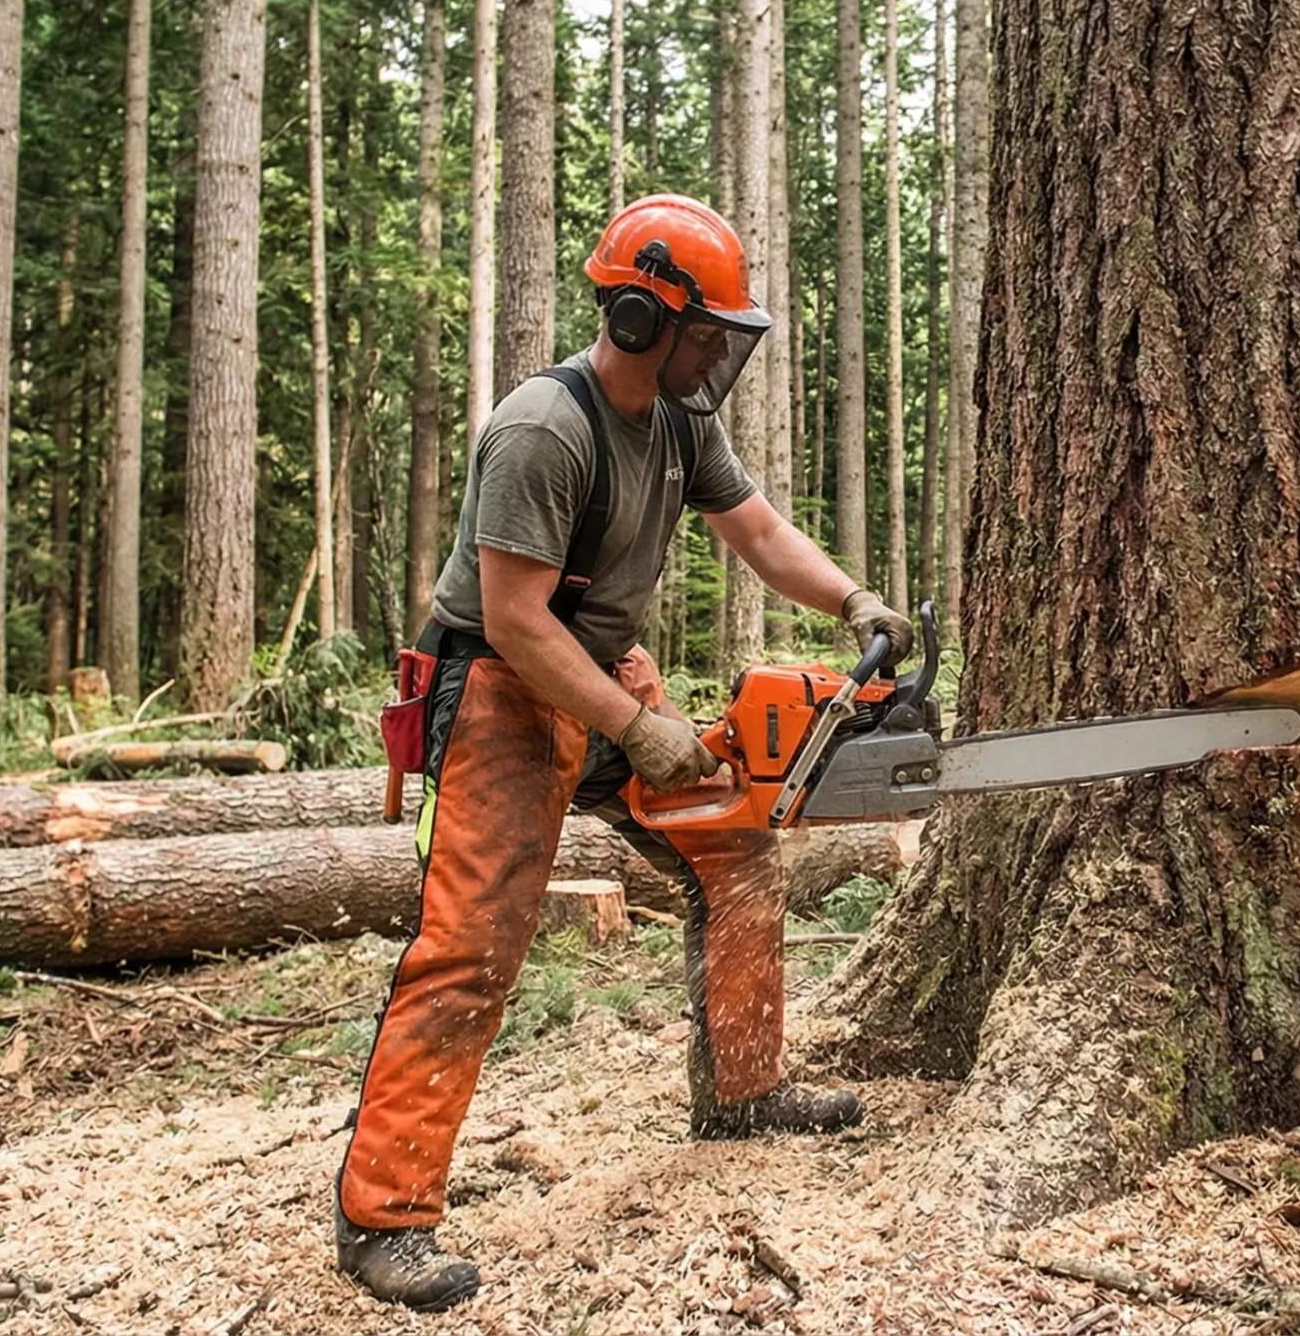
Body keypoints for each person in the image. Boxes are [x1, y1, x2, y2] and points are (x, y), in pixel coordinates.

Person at [334, 193, 914, 1311]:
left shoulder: (683, 423)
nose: (717, 355)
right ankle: (382, 1217)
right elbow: (513, 618)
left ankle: (744, 1089)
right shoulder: (545, 428)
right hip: (505, 690)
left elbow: (754, 530)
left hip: (602, 675)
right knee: (472, 946)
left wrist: (855, 599)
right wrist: (639, 727)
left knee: (735, 850)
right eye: (706, 333)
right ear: (643, 317)